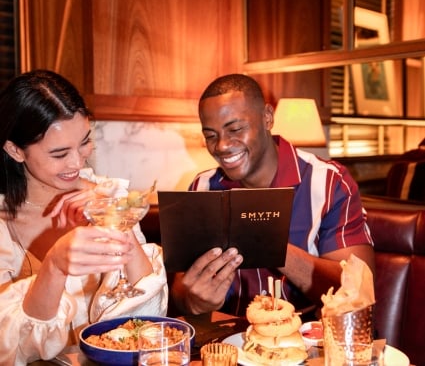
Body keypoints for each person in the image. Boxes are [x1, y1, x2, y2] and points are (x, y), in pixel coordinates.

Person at [170, 73, 375, 318]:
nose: (222, 146)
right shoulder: (202, 187)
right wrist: (196, 301)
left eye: (235, 129)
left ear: (267, 118)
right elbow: (181, 293)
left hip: (310, 343)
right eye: (211, 135)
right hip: (228, 343)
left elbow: (358, 292)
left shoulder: (329, 182)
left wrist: (268, 242)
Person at [0, 70, 167, 365]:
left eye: (85, 142)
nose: (78, 162)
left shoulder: (108, 197)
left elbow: (148, 320)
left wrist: (115, 219)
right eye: (59, 153)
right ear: (15, 150)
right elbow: (11, 349)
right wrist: (54, 266)